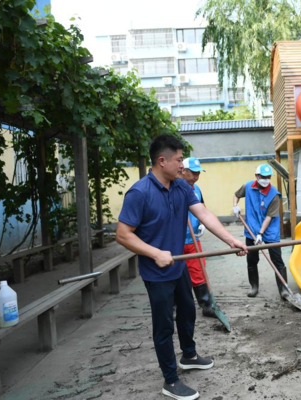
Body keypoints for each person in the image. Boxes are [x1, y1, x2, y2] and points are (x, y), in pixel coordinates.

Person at [116, 134, 247, 400]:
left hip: (179, 267)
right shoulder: (140, 193)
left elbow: (205, 214)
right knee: (163, 326)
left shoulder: (181, 187)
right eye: (178, 160)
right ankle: (171, 380)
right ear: (162, 161)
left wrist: (231, 239)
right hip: (157, 272)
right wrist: (155, 253)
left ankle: (189, 355)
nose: (182, 165)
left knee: (188, 311)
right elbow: (123, 234)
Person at [233, 164, 288, 299]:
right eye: (263, 177)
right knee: (251, 259)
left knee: (277, 260)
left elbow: (269, 217)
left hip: (270, 232)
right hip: (251, 229)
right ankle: (254, 287)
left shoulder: (274, 195)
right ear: (256, 176)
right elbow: (236, 195)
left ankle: (284, 289)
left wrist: (261, 234)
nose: (266, 179)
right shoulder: (248, 186)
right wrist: (235, 206)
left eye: (268, 177)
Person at [180, 157, 215, 318]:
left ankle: (207, 304)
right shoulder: (174, 188)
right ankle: (174, 306)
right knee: (175, 273)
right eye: (193, 173)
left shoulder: (196, 189)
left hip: (193, 239)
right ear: (183, 171)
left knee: (198, 270)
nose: (196, 176)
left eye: (198, 173)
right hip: (175, 240)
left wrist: (202, 222)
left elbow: (202, 207)